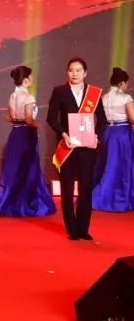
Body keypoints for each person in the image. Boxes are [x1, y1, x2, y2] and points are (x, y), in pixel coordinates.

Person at [47, 57, 106, 241]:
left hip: (87, 148)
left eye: (78, 70)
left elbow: (102, 120)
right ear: (67, 72)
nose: (74, 73)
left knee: (85, 189)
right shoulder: (60, 91)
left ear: (85, 73)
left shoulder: (94, 93)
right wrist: (64, 134)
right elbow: (51, 119)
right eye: (71, 70)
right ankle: (71, 229)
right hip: (68, 146)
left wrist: (96, 136)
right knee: (67, 189)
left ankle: (83, 228)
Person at [0, 66, 55, 217]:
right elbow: (29, 119)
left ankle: (10, 201)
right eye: (31, 76)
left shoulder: (12, 96)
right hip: (26, 134)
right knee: (28, 168)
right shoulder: (28, 97)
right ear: (26, 80)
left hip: (15, 133)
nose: (32, 79)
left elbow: (9, 118)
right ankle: (26, 203)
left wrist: (19, 121)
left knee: (15, 168)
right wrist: (38, 125)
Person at [92, 67, 134, 212]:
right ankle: (119, 196)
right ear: (122, 83)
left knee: (106, 163)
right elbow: (132, 118)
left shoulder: (103, 98)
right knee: (122, 165)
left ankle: (100, 194)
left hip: (107, 132)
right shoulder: (126, 98)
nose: (127, 86)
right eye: (126, 83)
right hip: (122, 133)